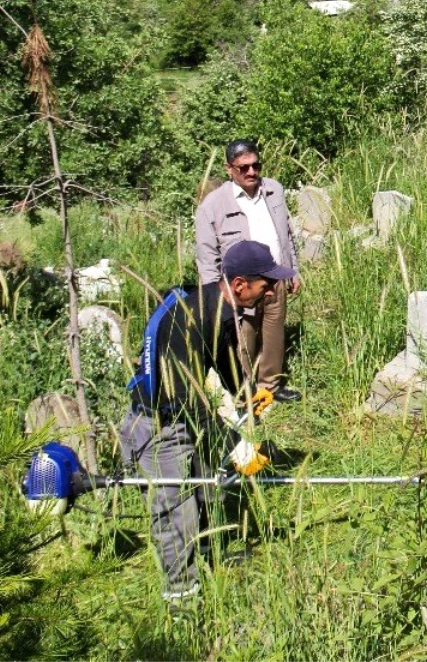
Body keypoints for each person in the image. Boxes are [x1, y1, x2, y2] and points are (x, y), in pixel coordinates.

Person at [118, 241, 296, 603]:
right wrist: (236, 444)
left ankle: (214, 552)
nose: (270, 292)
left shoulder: (217, 307)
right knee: (175, 514)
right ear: (242, 284)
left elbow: (222, 357)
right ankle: (181, 596)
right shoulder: (187, 320)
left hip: (185, 412)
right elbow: (183, 399)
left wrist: (247, 397)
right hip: (158, 425)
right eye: (266, 285)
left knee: (212, 486)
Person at [196, 140, 302, 401]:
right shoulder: (212, 206)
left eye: (256, 165)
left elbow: (287, 235)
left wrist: (293, 271)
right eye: (244, 168)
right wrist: (215, 302)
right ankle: (243, 394)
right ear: (229, 169)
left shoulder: (274, 190)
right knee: (242, 339)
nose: (252, 172)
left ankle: (271, 387)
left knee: (274, 334)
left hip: (274, 277)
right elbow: (206, 256)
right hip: (240, 287)